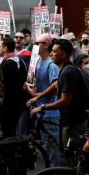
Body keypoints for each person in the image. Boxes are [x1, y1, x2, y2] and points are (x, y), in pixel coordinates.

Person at [30, 39, 87, 162]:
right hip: (67, 119)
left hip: (73, 122)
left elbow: (64, 101)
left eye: (55, 52)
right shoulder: (64, 69)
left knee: (70, 157)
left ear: (64, 55)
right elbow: (56, 85)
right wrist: (38, 97)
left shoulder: (68, 72)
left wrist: (42, 106)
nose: (51, 54)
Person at [27, 33, 61, 166]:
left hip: (51, 112)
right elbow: (38, 88)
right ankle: (50, 171)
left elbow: (55, 85)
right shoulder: (39, 62)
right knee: (46, 143)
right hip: (41, 111)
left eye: (37, 43)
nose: (35, 46)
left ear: (46, 45)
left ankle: (54, 173)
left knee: (52, 144)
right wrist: (30, 89)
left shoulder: (51, 65)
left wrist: (38, 96)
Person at [0, 37, 27, 137]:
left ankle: (11, 151)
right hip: (19, 102)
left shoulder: (5, 65)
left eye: (0, 46)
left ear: (5, 48)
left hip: (7, 105)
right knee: (15, 130)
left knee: (8, 132)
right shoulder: (20, 61)